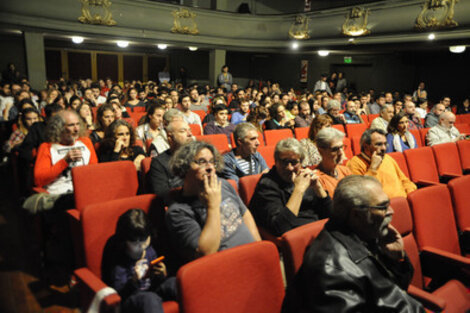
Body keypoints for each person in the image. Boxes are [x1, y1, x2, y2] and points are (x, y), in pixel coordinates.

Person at [282, 175, 425, 313]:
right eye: (383, 207)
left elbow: (396, 289)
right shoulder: (331, 271)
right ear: (356, 214)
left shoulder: (367, 234)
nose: (391, 211)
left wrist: (396, 258)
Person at [165, 141, 261, 263]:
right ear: (184, 167)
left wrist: (259, 246)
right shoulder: (178, 212)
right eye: (201, 162)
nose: (210, 167)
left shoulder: (223, 184)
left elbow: (245, 214)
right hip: (227, 268)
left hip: (254, 255)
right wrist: (213, 206)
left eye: (212, 161)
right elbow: (205, 255)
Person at [249, 138, 332, 236]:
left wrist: (318, 188)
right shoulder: (266, 185)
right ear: (276, 161)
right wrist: (299, 190)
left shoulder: (304, 176)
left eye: (294, 162)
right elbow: (280, 226)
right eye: (284, 162)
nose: (289, 167)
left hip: (320, 231)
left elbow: (330, 214)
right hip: (298, 237)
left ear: (301, 162)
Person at [102, 209, 177, 313]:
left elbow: (156, 281)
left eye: (144, 240)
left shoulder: (150, 250)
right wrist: (133, 281)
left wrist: (162, 274)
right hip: (131, 298)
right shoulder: (120, 259)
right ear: (125, 241)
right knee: (149, 299)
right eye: (135, 243)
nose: (141, 246)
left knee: (175, 282)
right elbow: (119, 292)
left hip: (152, 290)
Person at [34, 110, 98, 199]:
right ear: (59, 128)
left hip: (83, 191)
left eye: (78, 124)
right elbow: (39, 180)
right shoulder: (47, 147)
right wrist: (64, 161)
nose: (76, 129)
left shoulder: (86, 142)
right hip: (57, 194)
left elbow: (93, 172)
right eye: (71, 125)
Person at [347, 128, 417, 198]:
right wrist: (373, 168)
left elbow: (405, 181)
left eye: (385, 144)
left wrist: (410, 194)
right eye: (378, 144)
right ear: (366, 146)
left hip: (403, 202)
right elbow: (361, 194)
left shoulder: (388, 158)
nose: (384, 148)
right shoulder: (354, 164)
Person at [148, 119, 194, 202]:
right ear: (170, 138)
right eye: (183, 131)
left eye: (190, 130)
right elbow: (162, 195)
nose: (190, 134)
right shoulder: (159, 163)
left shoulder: (198, 156)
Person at [315, 128, 351, 196]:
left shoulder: (345, 171)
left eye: (341, 147)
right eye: (335, 149)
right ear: (321, 151)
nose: (341, 153)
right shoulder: (318, 179)